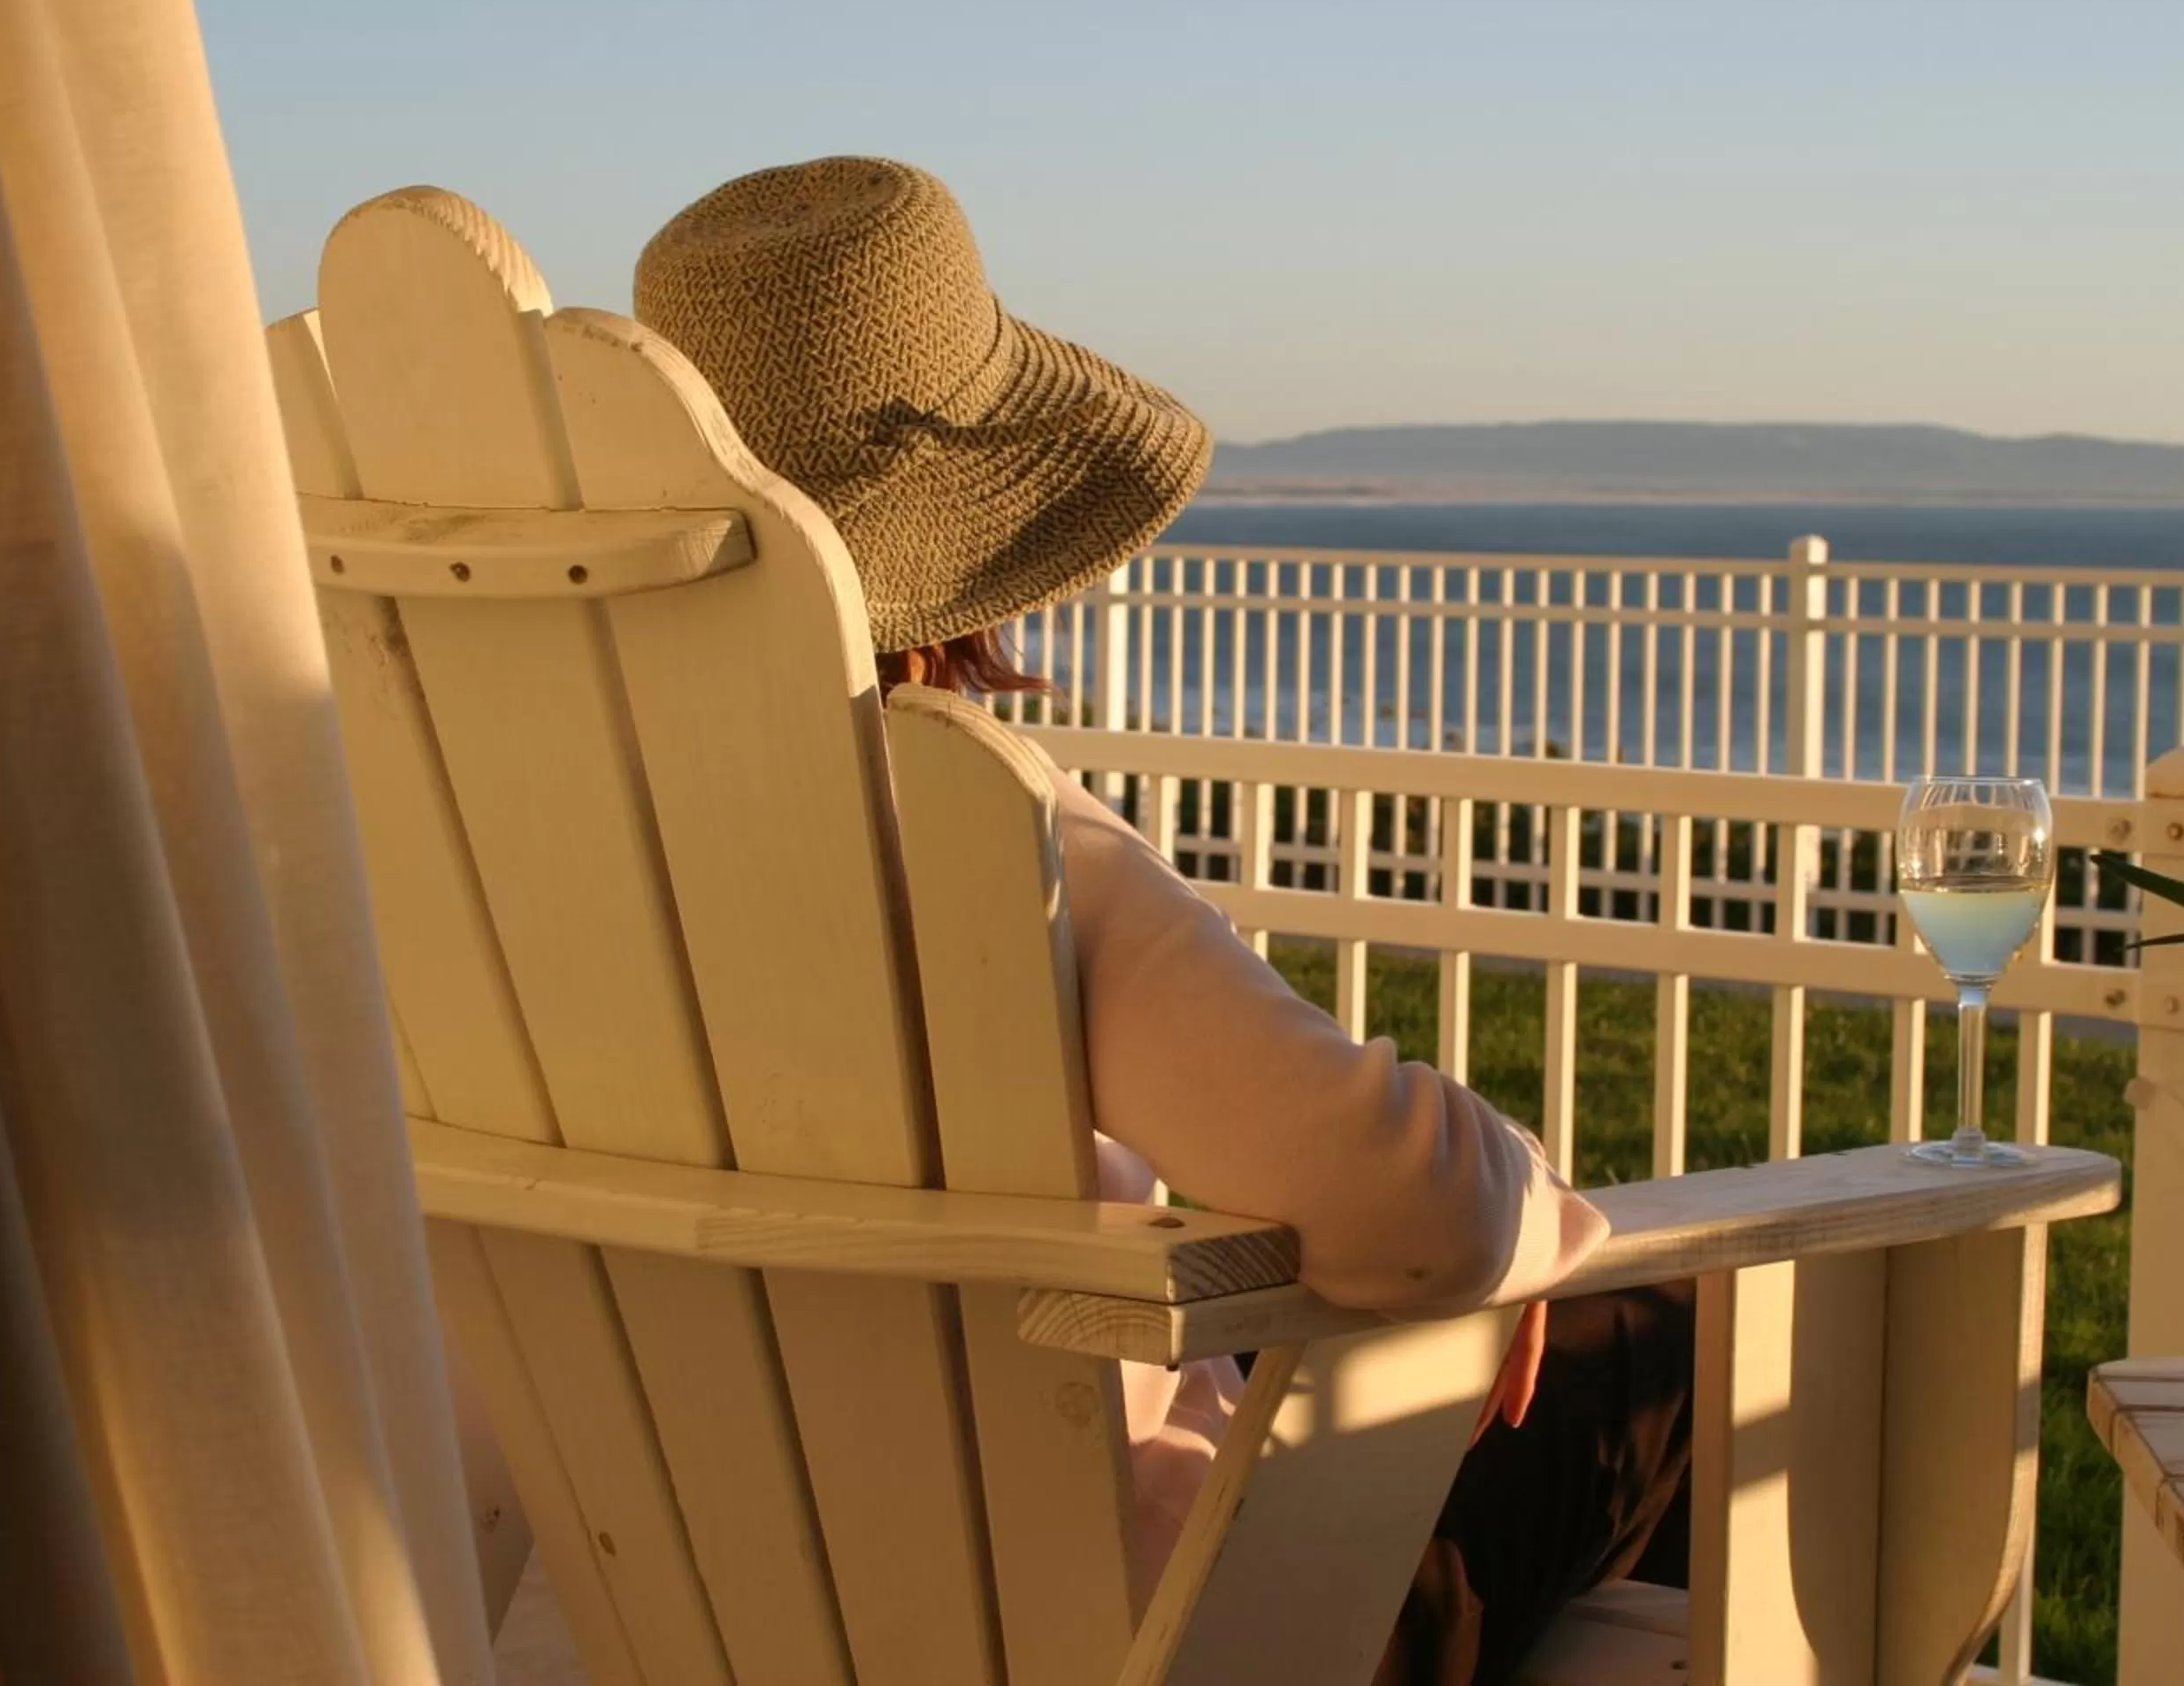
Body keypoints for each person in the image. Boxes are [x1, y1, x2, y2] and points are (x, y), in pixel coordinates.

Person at [635, 156, 1694, 1685]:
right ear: (968, 560)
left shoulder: (489, 858)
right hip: (1147, 1628)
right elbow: (1418, 1217)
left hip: (684, 1613)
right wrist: (1525, 1190)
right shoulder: (990, 839)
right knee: (1664, 1337)